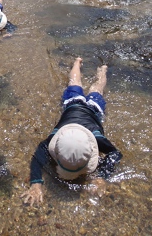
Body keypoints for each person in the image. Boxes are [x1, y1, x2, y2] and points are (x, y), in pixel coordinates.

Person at [21, 57, 122, 207]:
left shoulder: (94, 137)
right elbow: (114, 154)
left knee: (87, 87)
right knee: (90, 87)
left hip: (89, 109)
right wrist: (35, 183)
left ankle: (93, 67)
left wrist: (102, 177)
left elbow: (116, 154)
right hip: (74, 106)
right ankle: (85, 64)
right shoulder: (89, 138)